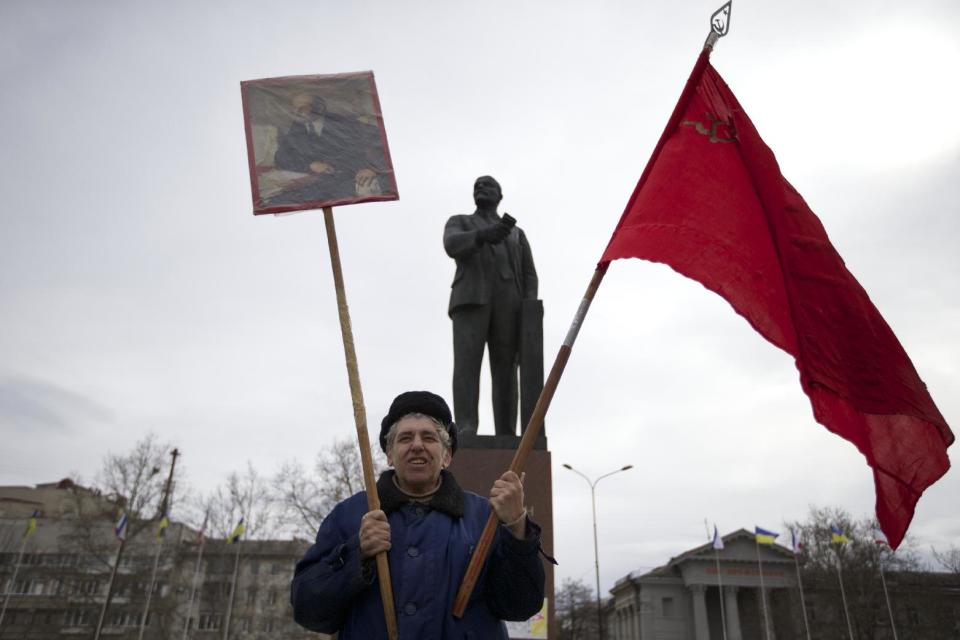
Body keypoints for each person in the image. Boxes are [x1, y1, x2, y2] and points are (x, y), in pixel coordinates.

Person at [290, 391, 547, 639]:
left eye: (429, 437)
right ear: (389, 455)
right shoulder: (349, 515)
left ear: (447, 455)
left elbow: (520, 606)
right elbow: (308, 610)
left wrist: (516, 527)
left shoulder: (484, 518)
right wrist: (359, 554)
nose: (416, 446)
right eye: (405, 438)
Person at [444, 176, 538, 435]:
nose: (480, 188)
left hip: (509, 305)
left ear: (500, 195)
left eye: (488, 185)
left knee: (506, 369)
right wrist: (483, 235)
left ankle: (507, 431)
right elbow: (451, 244)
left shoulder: (516, 233)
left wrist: (529, 310)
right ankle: (465, 426)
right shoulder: (460, 221)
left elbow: (530, 274)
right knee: (466, 365)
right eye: (476, 186)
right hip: (471, 299)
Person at [271, 92, 383, 204]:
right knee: (277, 201)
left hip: (348, 179)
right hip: (316, 183)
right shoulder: (298, 126)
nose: (297, 113)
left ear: (319, 108)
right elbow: (281, 156)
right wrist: (310, 165)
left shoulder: (342, 123)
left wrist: (372, 168)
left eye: (303, 108)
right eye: (294, 109)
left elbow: (376, 144)